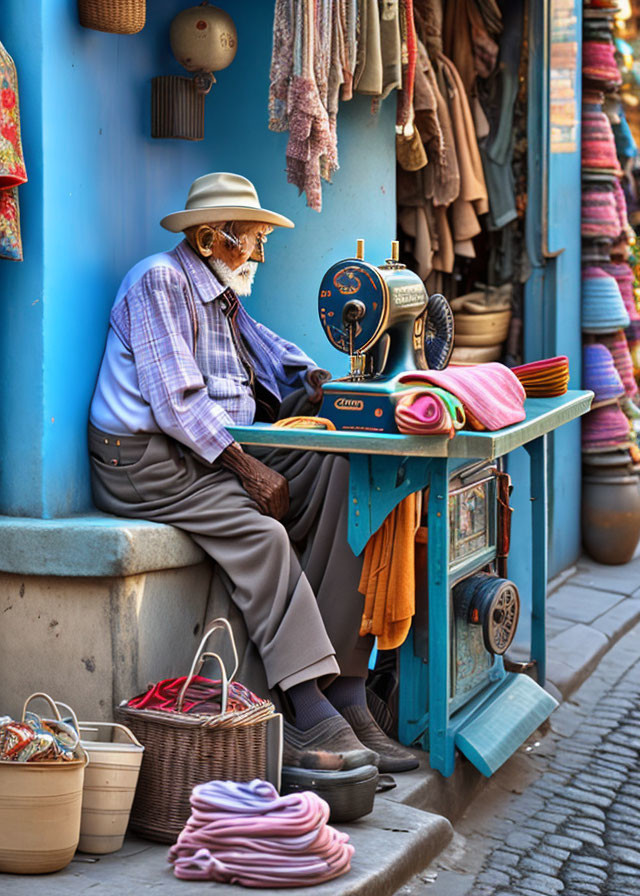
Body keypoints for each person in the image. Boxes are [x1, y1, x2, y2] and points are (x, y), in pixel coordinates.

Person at [89, 172, 418, 773]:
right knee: (262, 534)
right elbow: (177, 403)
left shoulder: (224, 299)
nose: (261, 255)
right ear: (213, 238)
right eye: (254, 241)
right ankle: (304, 706)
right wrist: (248, 470)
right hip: (142, 461)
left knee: (343, 473)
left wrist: (330, 386)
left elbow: (276, 357)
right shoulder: (159, 282)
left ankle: (345, 686)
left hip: (203, 451)